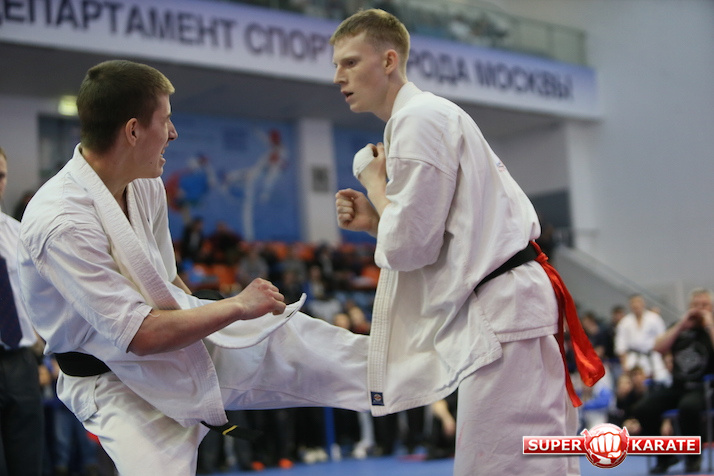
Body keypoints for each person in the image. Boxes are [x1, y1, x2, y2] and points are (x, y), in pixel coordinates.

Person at [17, 59, 370, 475]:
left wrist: (221, 323)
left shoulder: (145, 183)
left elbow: (167, 281)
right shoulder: (62, 223)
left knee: (296, 341)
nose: (173, 133)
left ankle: (408, 369)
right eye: (165, 120)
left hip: (171, 340)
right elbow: (140, 335)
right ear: (133, 131)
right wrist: (236, 306)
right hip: (110, 380)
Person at [330, 9, 603, 475]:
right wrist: (378, 222)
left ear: (390, 60)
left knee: (501, 466)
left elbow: (409, 247)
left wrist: (375, 183)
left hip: (504, 310)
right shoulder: (430, 116)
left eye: (350, 62)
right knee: (535, 462)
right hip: (512, 303)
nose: (339, 77)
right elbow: (438, 235)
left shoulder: (417, 120)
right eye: (337, 66)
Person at [628, 288, 714, 474]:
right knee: (643, 409)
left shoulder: (711, 327)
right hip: (678, 386)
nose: (700, 309)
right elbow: (658, 347)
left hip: (705, 387)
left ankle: (693, 457)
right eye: (695, 305)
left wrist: (709, 325)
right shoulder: (680, 327)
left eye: (704, 305)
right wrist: (681, 325)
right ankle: (665, 456)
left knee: (688, 407)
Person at [0, 147, 44, 476]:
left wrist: (42, 349)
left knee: (28, 461)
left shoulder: (17, 233)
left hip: (21, 362)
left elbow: (37, 295)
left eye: (1, 175)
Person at [615, 294, 670, 384]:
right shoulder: (624, 322)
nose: (636, 305)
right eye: (633, 303)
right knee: (633, 383)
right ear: (630, 305)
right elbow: (620, 346)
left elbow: (663, 339)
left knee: (660, 381)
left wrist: (665, 359)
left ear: (643, 303)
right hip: (633, 359)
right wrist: (624, 364)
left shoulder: (654, 318)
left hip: (653, 357)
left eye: (638, 302)